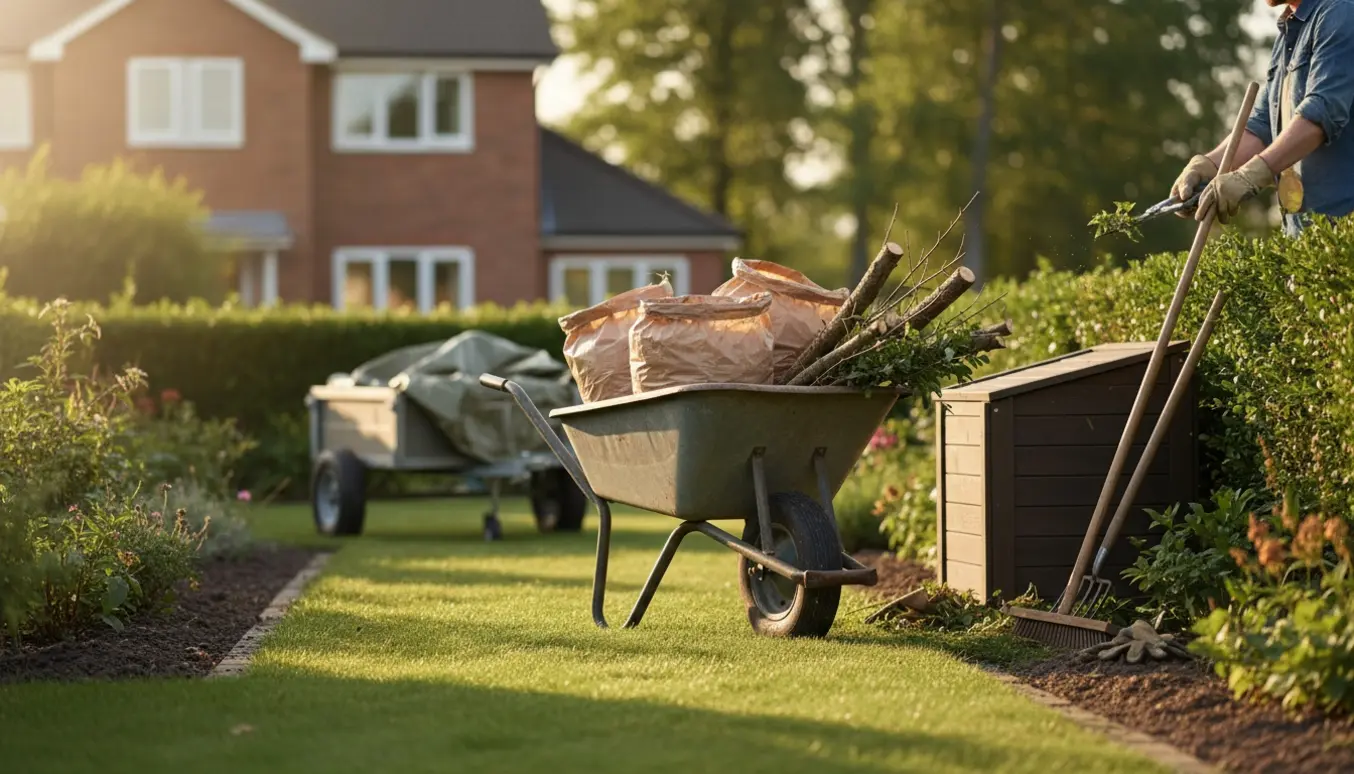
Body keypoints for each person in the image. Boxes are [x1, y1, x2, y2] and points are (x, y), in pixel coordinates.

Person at [1171, 0, 1354, 236]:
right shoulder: (1291, 30)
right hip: (1310, 242)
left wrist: (1249, 176)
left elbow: (1322, 111)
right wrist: (1210, 164)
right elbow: (1263, 125)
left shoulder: (1341, 12)